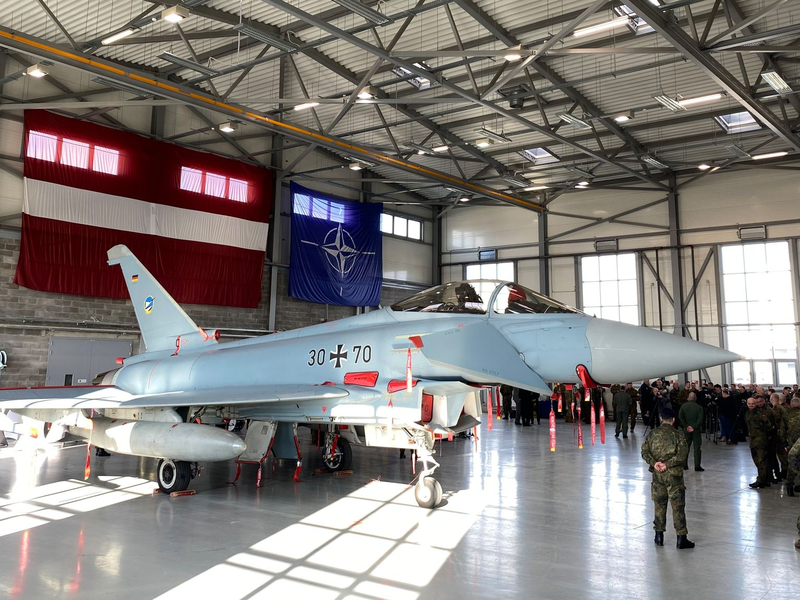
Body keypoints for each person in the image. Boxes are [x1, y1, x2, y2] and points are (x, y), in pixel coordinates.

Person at [641, 407, 694, 549]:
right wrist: (667, 464)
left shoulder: (652, 434)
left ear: (660, 419)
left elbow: (644, 452)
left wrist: (656, 463)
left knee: (659, 504)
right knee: (678, 506)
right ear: (673, 420)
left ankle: (659, 536)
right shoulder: (678, 435)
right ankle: (681, 538)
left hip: (657, 475)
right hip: (674, 476)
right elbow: (682, 456)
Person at [745, 396, 776, 489]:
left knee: (761, 460)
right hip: (753, 439)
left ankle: (761, 480)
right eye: (749, 404)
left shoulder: (760, 414)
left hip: (761, 440)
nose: (751, 405)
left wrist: (764, 434)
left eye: (753, 404)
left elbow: (769, 426)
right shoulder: (748, 413)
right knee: (757, 460)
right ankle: (765, 478)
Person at [679, 392, 704, 471]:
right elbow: (700, 419)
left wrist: (686, 425)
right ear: (695, 398)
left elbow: (681, 416)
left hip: (686, 430)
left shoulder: (683, 406)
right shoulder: (699, 407)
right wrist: (694, 426)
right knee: (697, 448)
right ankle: (697, 466)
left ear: (688, 398)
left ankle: (685, 465)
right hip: (696, 430)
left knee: (686, 447)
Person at [781, 397, 800, 496]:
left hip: (791, 444)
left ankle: (789, 486)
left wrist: (784, 444)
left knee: (792, 465)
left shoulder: (786, 415)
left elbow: (782, 431)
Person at [770, 393, 789, 480]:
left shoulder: (776, 408)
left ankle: (784, 471)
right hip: (783, 433)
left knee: (781, 453)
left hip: (779, 434)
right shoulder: (784, 407)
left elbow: (776, 421)